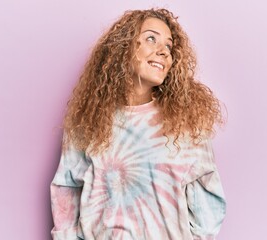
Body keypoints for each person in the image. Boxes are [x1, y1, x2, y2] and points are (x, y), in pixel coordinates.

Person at [50, 8, 226, 240]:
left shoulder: (186, 124)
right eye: (151, 38)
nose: (163, 51)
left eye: (169, 46)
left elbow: (208, 199)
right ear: (123, 47)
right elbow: (67, 186)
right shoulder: (88, 121)